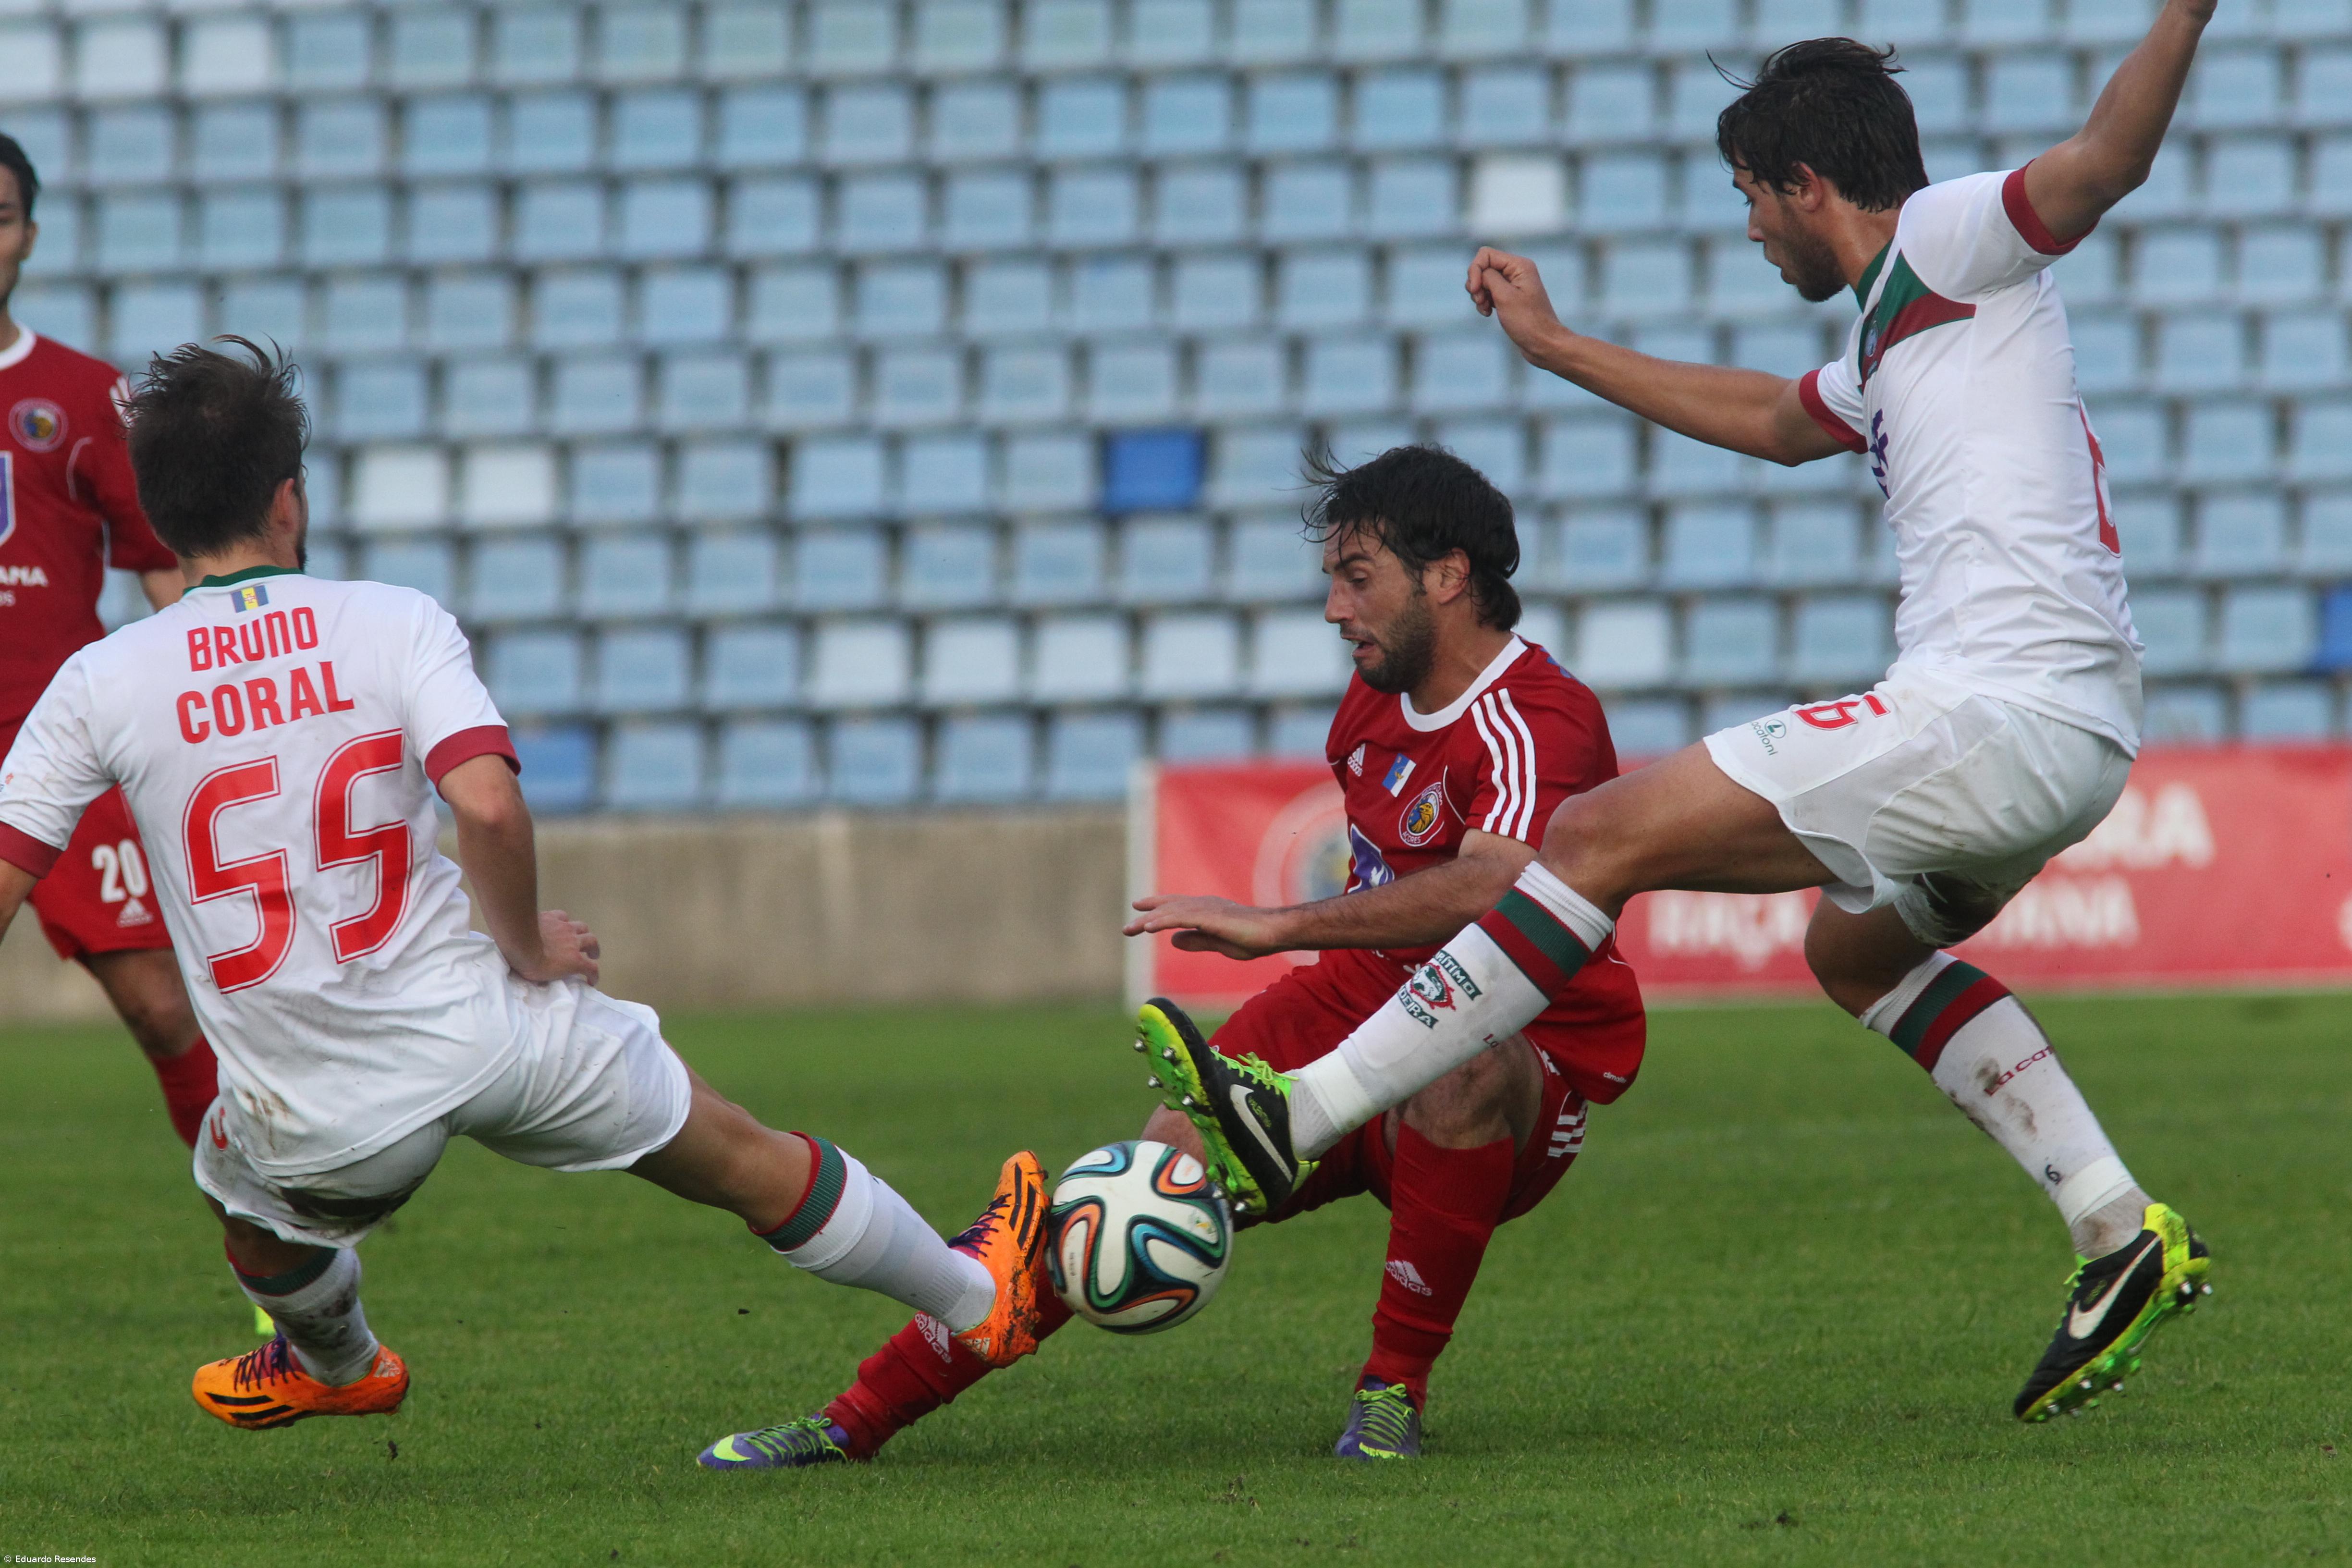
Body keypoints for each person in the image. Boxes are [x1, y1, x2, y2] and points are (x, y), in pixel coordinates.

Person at [1147, 20, 2217, 1426]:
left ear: (1802, 184)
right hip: (2064, 733)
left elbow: (2102, 164)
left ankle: (1305, 1109)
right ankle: (2114, 1225)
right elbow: (1776, 422)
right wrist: (1557, 348)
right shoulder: (1897, 331)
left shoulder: (1952, 239)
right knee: (1854, 946)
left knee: (1590, 836)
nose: (1754, 233)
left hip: (1994, 708)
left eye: (1751, 201)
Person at [0, 340, 1054, 1456]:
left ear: (157, 522)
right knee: (737, 1153)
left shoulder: (98, 682)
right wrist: (530, 949)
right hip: (492, 1029)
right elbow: (490, 810)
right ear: (289, 499)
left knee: (236, 1191)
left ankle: (344, 1366)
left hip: (316, 1113)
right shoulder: (393, 620)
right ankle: (975, 1299)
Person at [722, 445, 1647, 1466]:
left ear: (1449, 575)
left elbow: (1497, 888)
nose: (1336, 610)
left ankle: (1392, 1396)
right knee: (1124, 1194)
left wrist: (1278, 924)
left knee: (1462, 1062)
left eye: (1357, 578)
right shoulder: (1372, 701)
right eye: (1333, 582)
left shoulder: (1539, 716)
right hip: (1351, 1001)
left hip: (1525, 1054)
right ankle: (854, 1421)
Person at [0, 132, 218, 1153]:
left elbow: (168, 571)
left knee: (165, 1010)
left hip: (55, 746)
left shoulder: (89, 397)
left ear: (29, 236)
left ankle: (291, 1284)